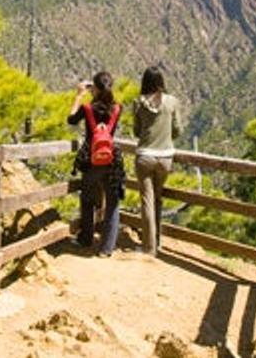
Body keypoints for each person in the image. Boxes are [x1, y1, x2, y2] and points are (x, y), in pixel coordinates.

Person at [69, 71, 124, 257]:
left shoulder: (87, 109)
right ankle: (107, 248)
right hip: (112, 161)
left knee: (87, 199)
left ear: (96, 89)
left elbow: (71, 119)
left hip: (92, 160)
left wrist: (79, 95)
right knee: (113, 203)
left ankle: (86, 239)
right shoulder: (117, 109)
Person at [131, 66, 182, 255]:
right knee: (158, 200)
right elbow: (178, 129)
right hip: (166, 157)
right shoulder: (172, 102)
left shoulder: (138, 102)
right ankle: (157, 241)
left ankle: (148, 248)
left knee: (147, 201)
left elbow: (137, 131)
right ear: (161, 81)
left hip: (145, 156)